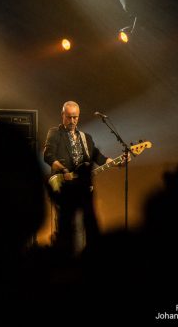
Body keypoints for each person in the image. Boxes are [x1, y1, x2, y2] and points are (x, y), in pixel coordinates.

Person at [43, 100, 113, 256]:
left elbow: (99, 157)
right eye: (69, 117)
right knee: (67, 223)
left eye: (75, 117)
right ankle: (66, 259)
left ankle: (81, 259)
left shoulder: (85, 137)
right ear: (63, 115)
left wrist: (116, 162)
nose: (72, 120)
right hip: (63, 184)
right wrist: (64, 170)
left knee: (82, 223)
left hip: (82, 187)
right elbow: (48, 156)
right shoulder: (55, 133)